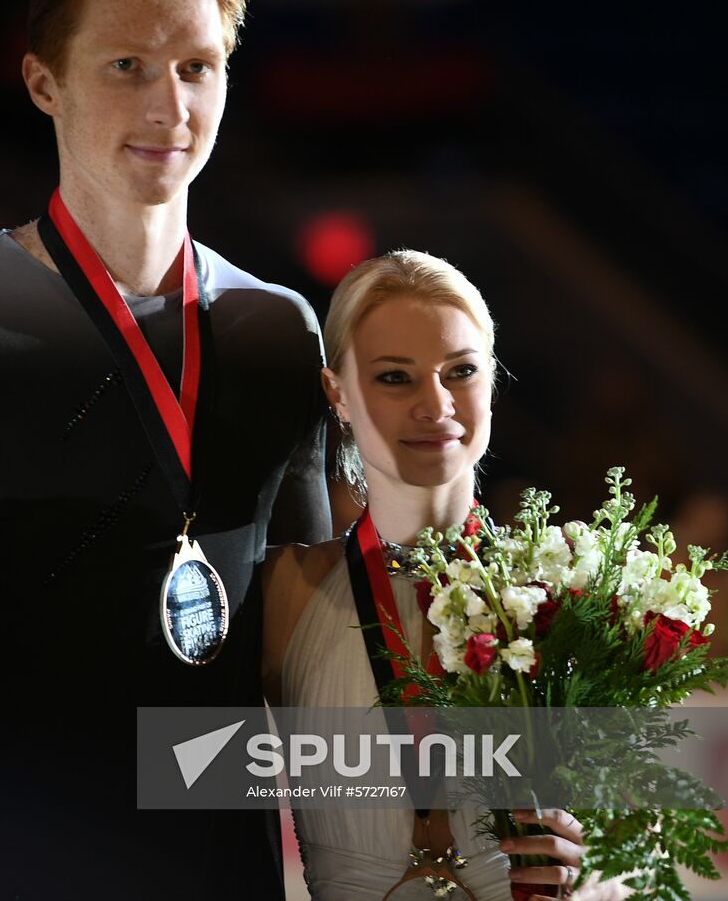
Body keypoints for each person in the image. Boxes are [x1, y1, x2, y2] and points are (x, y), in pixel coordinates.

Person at [0, 0, 329, 900]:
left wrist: (488, 806)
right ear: (43, 81)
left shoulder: (277, 329)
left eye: (196, 67)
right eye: (126, 66)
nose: (168, 105)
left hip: (218, 861)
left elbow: (297, 670)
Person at [264, 251, 629, 900]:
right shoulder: (282, 592)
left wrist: (593, 864)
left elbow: (636, 848)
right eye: (395, 377)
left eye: (459, 371)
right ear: (337, 393)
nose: (435, 405)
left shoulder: (573, 594)